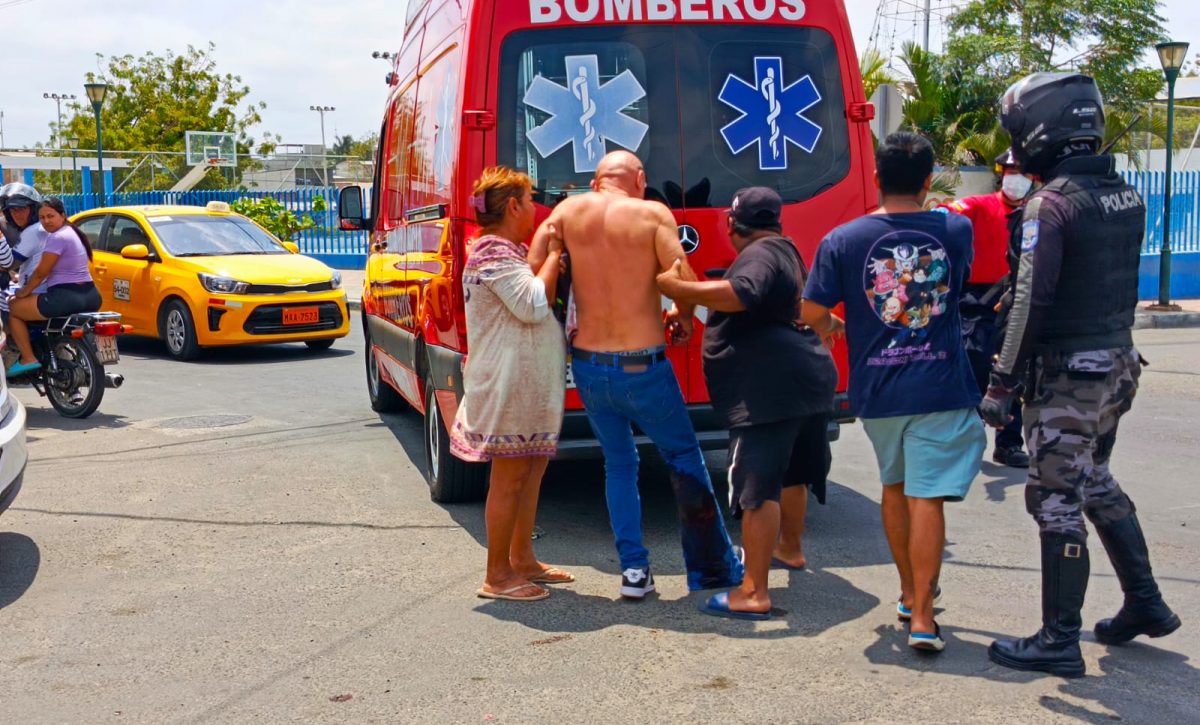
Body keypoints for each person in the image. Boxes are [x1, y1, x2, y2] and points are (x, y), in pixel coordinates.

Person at [984, 73, 1180, 677]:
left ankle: (1058, 640)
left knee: (1054, 497)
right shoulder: (1124, 195)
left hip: (1070, 375)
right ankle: (1145, 601)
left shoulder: (1052, 205)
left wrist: (1001, 383)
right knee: (1094, 479)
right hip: (1118, 365)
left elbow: (1030, 302)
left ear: (1043, 130)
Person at [528, 151, 743, 599]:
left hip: (589, 364)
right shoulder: (652, 214)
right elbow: (681, 276)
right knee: (684, 457)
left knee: (619, 464)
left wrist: (561, 255)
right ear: (640, 179)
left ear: (596, 181)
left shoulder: (565, 213)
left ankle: (633, 571)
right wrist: (683, 317)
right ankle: (714, 568)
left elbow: (533, 273)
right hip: (641, 364)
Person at [802, 132, 985, 652]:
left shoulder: (843, 239)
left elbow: (810, 311)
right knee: (927, 497)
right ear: (928, 181)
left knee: (895, 487)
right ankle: (923, 616)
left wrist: (835, 326)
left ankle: (908, 592)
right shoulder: (955, 229)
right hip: (940, 385)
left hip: (878, 389)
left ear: (877, 177)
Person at [656, 187, 837, 620]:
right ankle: (789, 548)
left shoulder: (758, 255)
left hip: (768, 390)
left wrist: (680, 288)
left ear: (731, 224)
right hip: (804, 380)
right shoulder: (785, 250)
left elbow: (742, 293)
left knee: (756, 489)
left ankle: (753, 591)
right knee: (792, 473)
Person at [450, 167, 574, 602]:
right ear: (513, 206)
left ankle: (522, 559)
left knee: (531, 469)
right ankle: (497, 575)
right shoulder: (491, 253)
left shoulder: (507, 251)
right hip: (506, 385)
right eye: (530, 199)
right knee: (510, 476)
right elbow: (533, 304)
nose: (536, 208)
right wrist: (554, 255)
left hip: (522, 384)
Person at [940, 150, 1038, 468]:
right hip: (978, 299)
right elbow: (946, 213)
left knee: (1015, 370)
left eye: (1022, 172)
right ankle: (969, 438)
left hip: (1019, 296)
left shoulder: (1038, 213)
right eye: (1010, 172)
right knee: (976, 364)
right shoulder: (980, 206)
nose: (1016, 178)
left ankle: (1008, 444)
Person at [6, 196, 102, 376]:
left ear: (62, 215)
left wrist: (23, 292)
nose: (46, 221)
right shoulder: (73, 232)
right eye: (42, 217)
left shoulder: (57, 237)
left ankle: (28, 358)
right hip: (90, 295)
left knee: (11, 308)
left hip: (65, 298)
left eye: (50, 216)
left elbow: (41, 272)